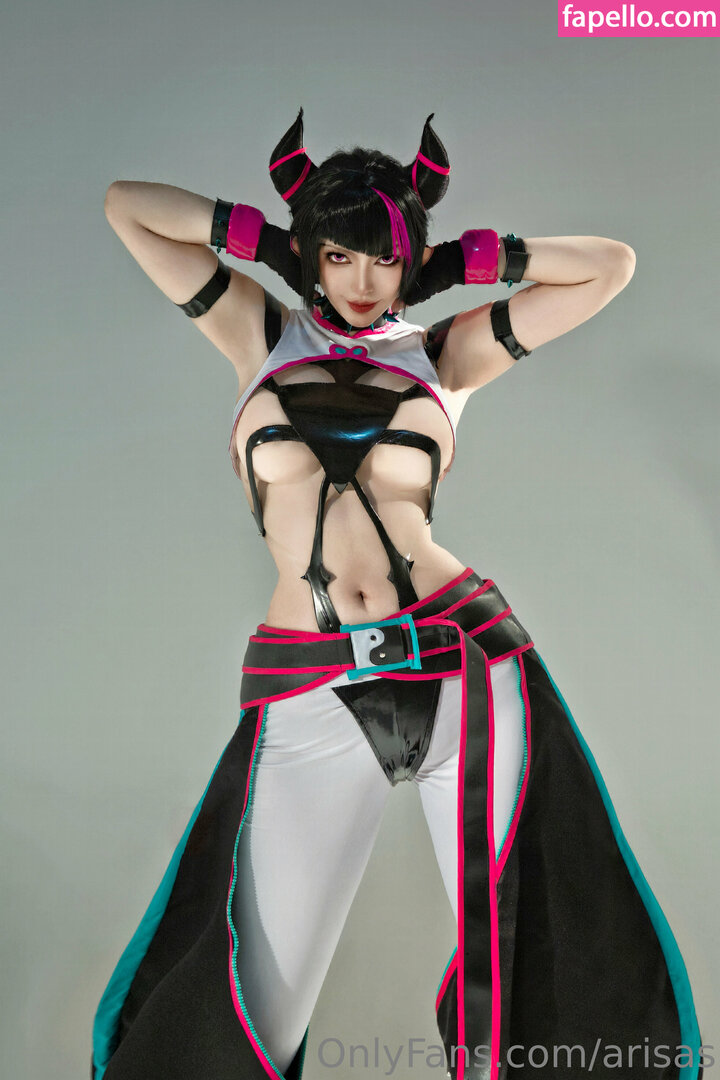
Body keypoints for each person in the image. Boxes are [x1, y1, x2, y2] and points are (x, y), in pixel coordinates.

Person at [91, 111, 703, 1080]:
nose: (365, 282)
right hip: (310, 687)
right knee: (245, 1013)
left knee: (537, 972)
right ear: (312, 256)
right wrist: (271, 245)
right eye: (341, 256)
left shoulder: (443, 356)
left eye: (386, 260)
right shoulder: (257, 335)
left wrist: (462, 261)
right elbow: (128, 207)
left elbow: (609, 268)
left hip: (468, 671)